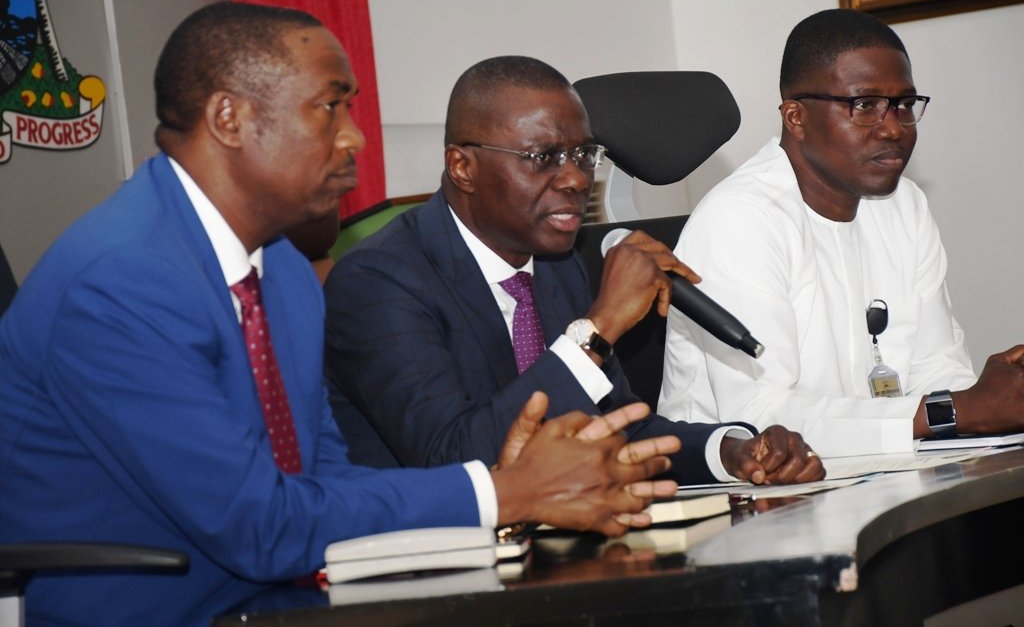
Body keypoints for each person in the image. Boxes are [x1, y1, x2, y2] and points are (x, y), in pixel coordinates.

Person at [0, 2, 683, 626]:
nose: (355, 138)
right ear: (229, 119)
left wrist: (511, 497)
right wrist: (502, 493)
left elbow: (330, 479)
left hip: (297, 600)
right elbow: (259, 524)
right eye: (330, 108)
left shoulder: (287, 275)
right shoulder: (119, 283)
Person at [323, 55, 824, 486]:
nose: (574, 178)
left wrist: (731, 451)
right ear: (462, 167)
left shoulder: (557, 265)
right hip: (432, 570)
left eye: (583, 154)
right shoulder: (379, 281)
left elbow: (617, 428)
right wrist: (599, 328)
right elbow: (455, 460)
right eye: (542, 157)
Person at [658, 8, 1024, 457]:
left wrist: (993, 403)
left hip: (881, 471)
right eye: (864, 105)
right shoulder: (739, 220)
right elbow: (759, 419)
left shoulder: (904, 205)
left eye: (904, 105)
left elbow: (937, 369)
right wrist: (953, 412)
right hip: (750, 495)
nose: (893, 128)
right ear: (795, 117)